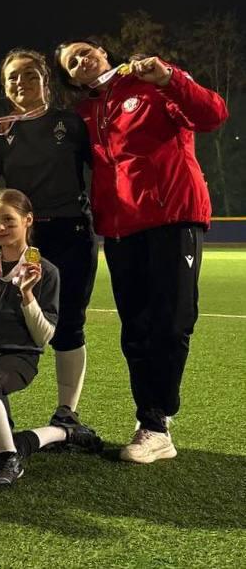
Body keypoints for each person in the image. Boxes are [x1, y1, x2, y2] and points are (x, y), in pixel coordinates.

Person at [55, 40, 227, 463]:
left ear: (102, 51)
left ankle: (158, 421)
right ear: (71, 79)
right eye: (72, 62)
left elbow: (213, 115)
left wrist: (169, 77)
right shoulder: (83, 113)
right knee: (136, 329)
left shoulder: (151, 83)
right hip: (120, 229)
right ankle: (150, 421)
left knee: (172, 321)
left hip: (172, 217)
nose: (81, 61)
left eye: (84, 51)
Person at [0, 48, 97, 435]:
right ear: (4, 87)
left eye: (30, 74)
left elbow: (103, 165)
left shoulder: (71, 122)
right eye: (13, 77)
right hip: (19, 237)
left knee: (69, 323)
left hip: (70, 231)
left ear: (46, 80)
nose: (22, 82)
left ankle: (67, 412)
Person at [0, 189, 102, 486]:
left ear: (28, 220)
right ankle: (63, 432)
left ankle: (11, 460)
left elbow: (44, 335)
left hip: (18, 357)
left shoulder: (46, 272)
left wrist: (27, 295)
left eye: (8, 220)